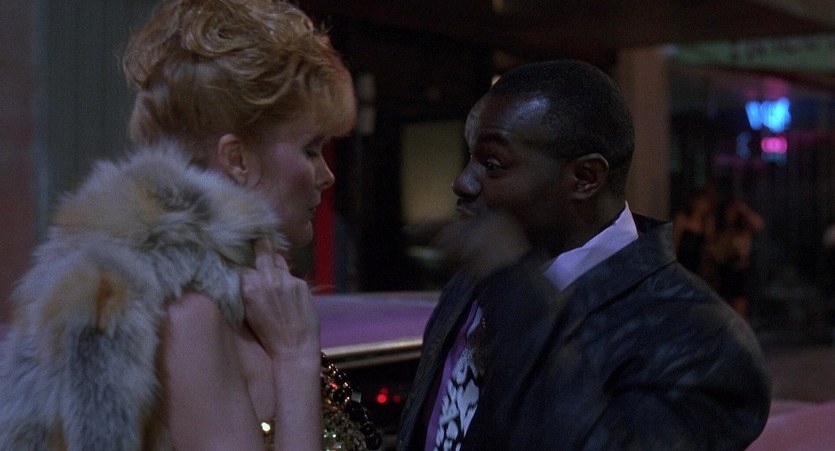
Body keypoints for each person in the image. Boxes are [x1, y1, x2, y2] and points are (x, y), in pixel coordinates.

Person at [0, 1, 377, 449]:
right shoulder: (191, 316)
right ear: (237, 159)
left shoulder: (245, 305)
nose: (326, 175)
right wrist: (295, 357)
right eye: (311, 150)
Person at [397, 60, 771, 450]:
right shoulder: (478, 281)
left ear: (585, 178)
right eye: (470, 158)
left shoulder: (706, 340)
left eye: (492, 164)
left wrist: (515, 288)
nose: (462, 182)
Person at [712, 198, 765, 317]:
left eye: (734, 211)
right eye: (730, 211)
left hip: (740, 273)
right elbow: (716, 251)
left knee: (739, 313)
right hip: (724, 272)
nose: (731, 214)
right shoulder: (722, 229)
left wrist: (744, 210)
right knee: (724, 312)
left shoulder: (744, 228)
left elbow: (759, 225)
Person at [673, 187, 716, 279]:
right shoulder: (682, 219)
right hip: (682, 260)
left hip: (698, 264)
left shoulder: (706, 223)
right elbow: (675, 241)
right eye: (702, 201)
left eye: (706, 202)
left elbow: (708, 245)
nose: (703, 205)